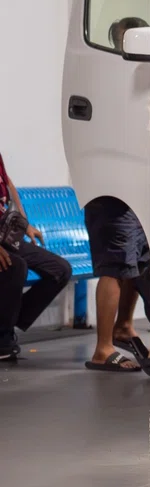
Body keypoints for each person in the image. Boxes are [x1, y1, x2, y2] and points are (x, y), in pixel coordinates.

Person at [0, 151, 73, 360]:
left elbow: (9, 184)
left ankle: (6, 324)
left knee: (60, 270)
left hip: (5, 233)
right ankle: (2, 339)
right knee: (16, 267)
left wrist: (24, 224)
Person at [84, 199, 150, 376]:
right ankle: (103, 350)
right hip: (111, 202)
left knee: (137, 263)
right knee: (114, 267)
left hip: (134, 201)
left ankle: (123, 326)